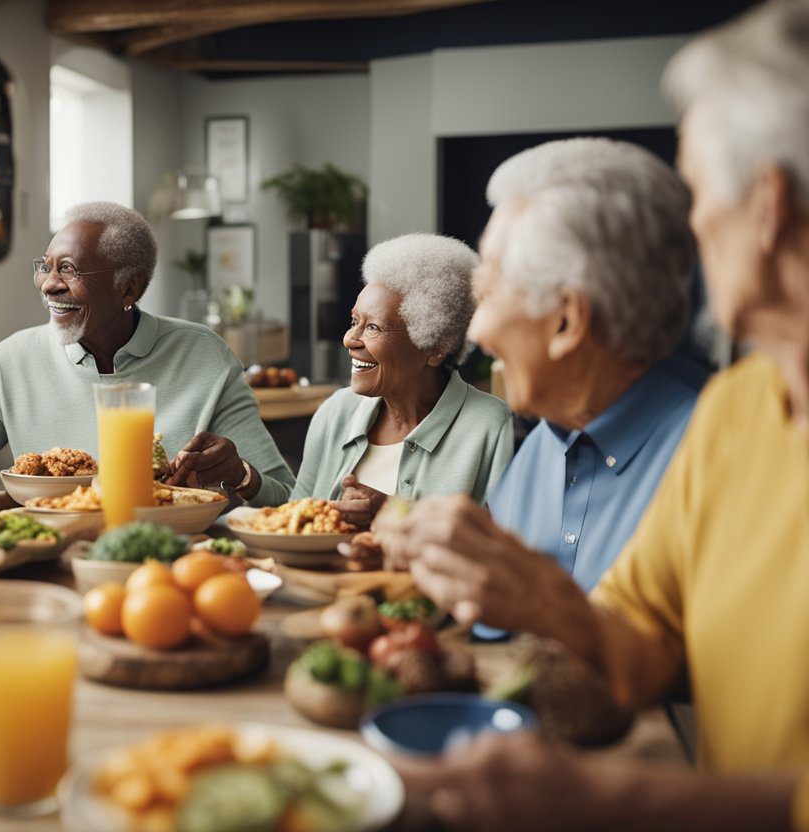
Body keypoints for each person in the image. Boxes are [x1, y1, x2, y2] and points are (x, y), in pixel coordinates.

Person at [374, 2, 809, 828]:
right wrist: (536, 594)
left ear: (768, 206)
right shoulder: (739, 410)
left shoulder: (696, 420)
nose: (692, 223)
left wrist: (609, 799)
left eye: (700, 189)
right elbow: (643, 635)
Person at [0, 202, 296, 531]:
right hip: (45, 567)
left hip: (169, 565)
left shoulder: (205, 357)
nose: (49, 284)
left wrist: (241, 474)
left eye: (69, 269)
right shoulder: (7, 363)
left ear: (128, 287)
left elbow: (286, 499)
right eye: (45, 266)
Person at [459, 138, 700, 591]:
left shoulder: (709, 457)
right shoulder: (536, 452)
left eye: (488, 293)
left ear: (567, 321)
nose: (476, 333)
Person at [291, 233, 512, 529]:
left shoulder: (491, 426)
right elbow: (289, 521)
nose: (349, 340)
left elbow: (504, 549)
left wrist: (392, 514)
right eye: (354, 321)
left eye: (373, 327)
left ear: (436, 347)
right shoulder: (335, 413)